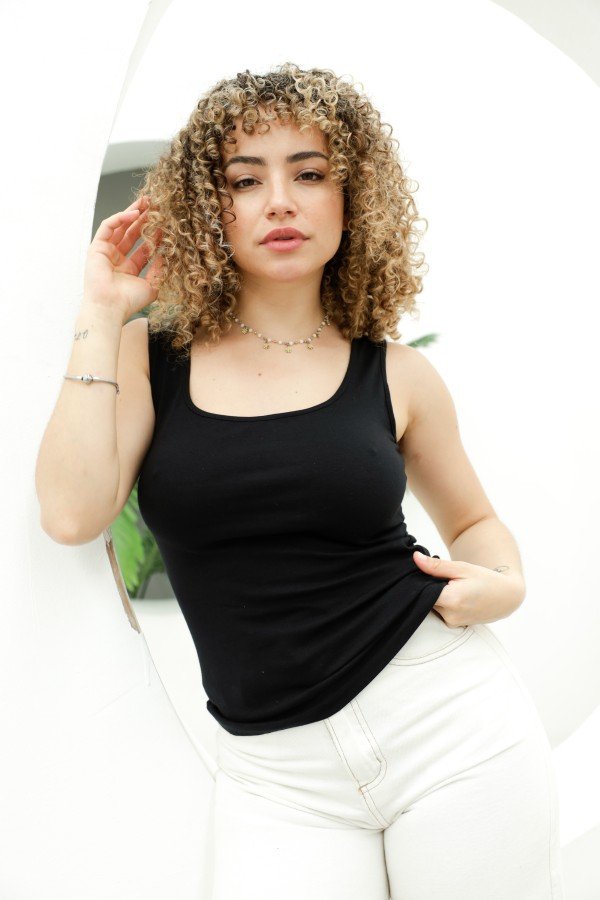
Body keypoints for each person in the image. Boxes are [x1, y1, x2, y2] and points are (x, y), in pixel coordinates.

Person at [35, 63, 565, 899]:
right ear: (211, 207)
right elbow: (71, 512)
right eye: (246, 180)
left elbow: (476, 524)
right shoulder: (148, 359)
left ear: (352, 198)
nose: (279, 201)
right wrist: (102, 313)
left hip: (451, 728)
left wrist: (504, 582)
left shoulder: (398, 374)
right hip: (279, 781)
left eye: (309, 174)